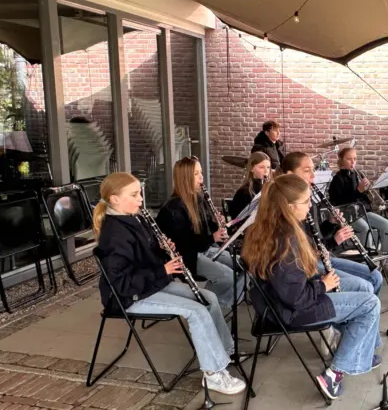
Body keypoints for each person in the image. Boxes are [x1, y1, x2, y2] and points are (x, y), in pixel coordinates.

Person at [93, 172, 246, 395]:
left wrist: (163, 250)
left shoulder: (134, 218)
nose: (140, 200)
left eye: (140, 194)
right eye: (134, 195)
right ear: (115, 199)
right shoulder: (114, 234)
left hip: (152, 284)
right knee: (196, 310)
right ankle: (213, 374)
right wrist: (163, 269)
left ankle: (224, 350)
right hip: (128, 297)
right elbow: (123, 283)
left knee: (208, 298)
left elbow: (146, 256)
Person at [242, 175, 382, 399]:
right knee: (370, 304)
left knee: (364, 290)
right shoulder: (285, 241)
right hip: (292, 311)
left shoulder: (276, 227)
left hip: (287, 301)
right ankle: (334, 375)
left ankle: (353, 348)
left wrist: (318, 276)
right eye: (306, 202)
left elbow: (292, 280)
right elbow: (296, 298)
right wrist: (323, 285)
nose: (311, 206)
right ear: (289, 206)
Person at [279, 151, 385, 293]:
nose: (313, 175)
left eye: (313, 169)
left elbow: (317, 234)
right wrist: (333, 242)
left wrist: (331, 222)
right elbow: (303, 252)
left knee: (375, 277)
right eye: (306, 170)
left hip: (321, 256)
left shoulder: (310, 198)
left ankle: (360, 309)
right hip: (308, 265)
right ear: (290, 175)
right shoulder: (291, 205)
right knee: (365, 287)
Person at [157, 157, 243, 308]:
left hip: (205, 249)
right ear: (185, 178)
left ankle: (222, 303)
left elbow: (206, 231)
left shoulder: (198, 199)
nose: (201, 177)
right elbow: (183, 245)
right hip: (188, 258)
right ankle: (207, 305)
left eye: (201, 172)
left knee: (245, 265)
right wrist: (212, 237)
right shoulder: (173, 208)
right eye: (196, 174)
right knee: (227, 276)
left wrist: (217, 225)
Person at [327, 147, 388, 255]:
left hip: (361, 211)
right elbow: (338, 202)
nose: (353, 162)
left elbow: (364, 199)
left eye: (355, 159)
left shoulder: (358, 174)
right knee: (364, 227)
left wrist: (366, 192)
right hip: (347, 213)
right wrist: (358, 190)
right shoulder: (337, 179)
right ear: (341, 160)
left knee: (386, 224)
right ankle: (367, 258)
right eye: (349, 159)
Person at [228, 152, 271, 220]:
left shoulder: (268, 188)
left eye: (268, 167)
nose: (266, 171)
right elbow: (237, 217)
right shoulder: (244, 192)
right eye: (261, 167)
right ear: (252, 168)